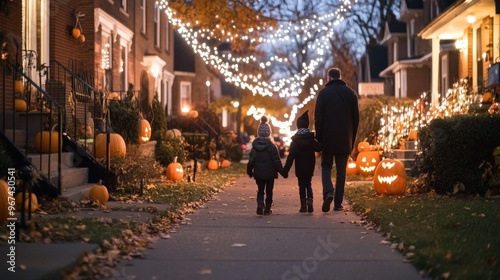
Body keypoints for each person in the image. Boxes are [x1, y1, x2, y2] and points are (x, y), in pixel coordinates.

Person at [314, 67, 359, 212]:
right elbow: (356, 120)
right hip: (345, 138)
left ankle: (328, 192)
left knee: (326, 166)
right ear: (340, 77)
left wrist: (319, 139)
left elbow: (318, 118)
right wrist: (351, 140)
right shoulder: (351, 93)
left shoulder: (323, 94)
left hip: (327, 137)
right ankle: (338, 203)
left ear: (329, 77)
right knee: (341, 171)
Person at [247, 116, 287, 215]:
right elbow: (276, 161)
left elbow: (251, 161)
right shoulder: (272, 147)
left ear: (258, 133)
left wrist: (249, 171)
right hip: (270, 174)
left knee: (260, 190)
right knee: (269, 191)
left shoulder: (255, 147)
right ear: (269, 133)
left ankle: (260, 204)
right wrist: (282, 172)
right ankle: (268, 208)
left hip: (259, 173)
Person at [283, 110, 322, 213]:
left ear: (298, 126)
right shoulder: (311, 140)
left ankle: (303, 205)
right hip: (310, 166)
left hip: (300, 167)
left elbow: (290, 157)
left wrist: (285, 171)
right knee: (308, 184)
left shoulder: (295, 142)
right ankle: (310, 201)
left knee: (301, 186)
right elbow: (319, 148)